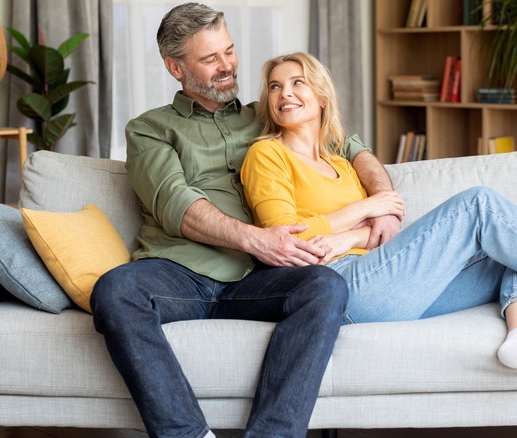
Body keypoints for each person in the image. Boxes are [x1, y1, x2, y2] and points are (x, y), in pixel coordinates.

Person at [240, 52, 517, 378]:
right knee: (478, 204)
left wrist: (354, 228)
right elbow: (286, 236)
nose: (285, 93)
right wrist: (366, 209)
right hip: (338, 290)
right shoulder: (267, 156)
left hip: (382, 280)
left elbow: (377, 232)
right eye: (276, 86)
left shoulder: (341, 163)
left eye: (297, 82)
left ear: (321, 95)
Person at [90, 5, 397, 438]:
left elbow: (346, 142)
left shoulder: (265, 113)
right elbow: (177, 204)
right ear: (175, 67)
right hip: (181, 272)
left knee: (324, 286)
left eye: (229, 51)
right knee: (116, 290)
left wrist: (383, 199)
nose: (227, 66)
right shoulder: (150, 129)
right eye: (210, 58)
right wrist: (257, 239)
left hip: (257, 280)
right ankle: (188, 435)